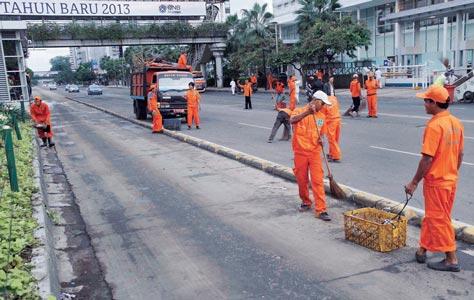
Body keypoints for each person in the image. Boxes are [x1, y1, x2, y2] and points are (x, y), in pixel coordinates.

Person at [405, 85, 464, 272]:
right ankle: (422, 249)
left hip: (437, 182)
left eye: (426, 100)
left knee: (439, 219)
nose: (424, 103)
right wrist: (451, 172)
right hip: (450, 180)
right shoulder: (456, 122)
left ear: (434, 103)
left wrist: (414, 182)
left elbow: (427, 158)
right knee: (435, 216)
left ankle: (451, 258)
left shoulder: (434, 126)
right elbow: (460, 154)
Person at [290, 90, 332, 221]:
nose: (324, 106)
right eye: (323, 104)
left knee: (317, 180)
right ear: (316, 101)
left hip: (314, 152)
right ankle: (306, 201)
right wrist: (307, 112)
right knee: (302, 180)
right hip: (300, 152)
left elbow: (322, 133)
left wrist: (322, 140)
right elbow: (292, 120)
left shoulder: (321, 117)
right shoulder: (299, 110)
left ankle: (321, 209)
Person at [321, 94, 342, 162]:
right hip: (338, 119)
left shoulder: (323, 104)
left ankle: (336, 156)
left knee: (331, 139)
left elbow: (320, 118)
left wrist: (319, 129)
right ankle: (331, 153)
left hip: (331, 122)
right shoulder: (334, 98)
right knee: (335, 139)